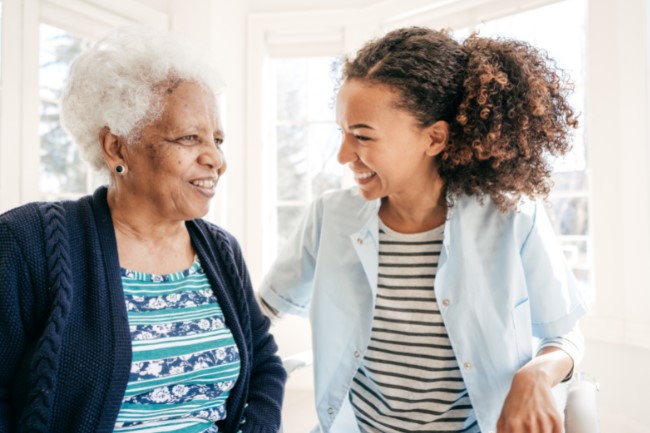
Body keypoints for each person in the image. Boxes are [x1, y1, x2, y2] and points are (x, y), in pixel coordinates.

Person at [258, 27, 588, 433]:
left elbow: (566, 336)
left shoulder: (512, 218)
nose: (343, 155)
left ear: (434, 138)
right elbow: (259, 314)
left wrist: (536, 374)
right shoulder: (330, 215)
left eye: (362, 136)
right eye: (342, 133)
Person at [0, 27, 285, 433]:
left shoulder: (221, 251)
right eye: (190, 138)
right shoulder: (28, 241)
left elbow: (263, 362)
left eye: (217, 140)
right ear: (116, 147)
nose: (216, 159)